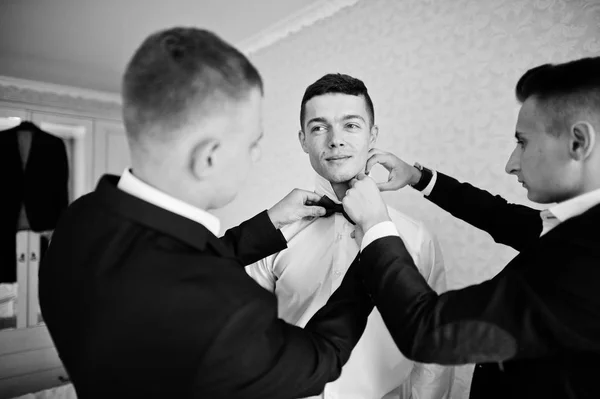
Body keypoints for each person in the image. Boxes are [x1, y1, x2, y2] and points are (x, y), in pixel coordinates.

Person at [38, 27, 376, 399]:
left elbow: (175, 266)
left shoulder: (78, 220)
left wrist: (270, 222)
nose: (256, 155)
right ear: (209, 158)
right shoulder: (224, 309)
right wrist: (373, 252)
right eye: (253, 143)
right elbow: (320, 359)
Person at [337, 56, 600, 399]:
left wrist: (375, 225)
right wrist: (418, 177)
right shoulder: (578, 229)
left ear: (579, 142)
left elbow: (429, 332)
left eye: (522, 142)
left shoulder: (589, 255)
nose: (511, 164)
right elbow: (500, 216)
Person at [246, 73, 453, 399]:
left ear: (373, 135)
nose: (335, 140)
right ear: (303, 140)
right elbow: (246, 336)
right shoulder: (270, 235)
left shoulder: (417, 238)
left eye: (351, 125)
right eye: (319, 127)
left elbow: (433, 353)